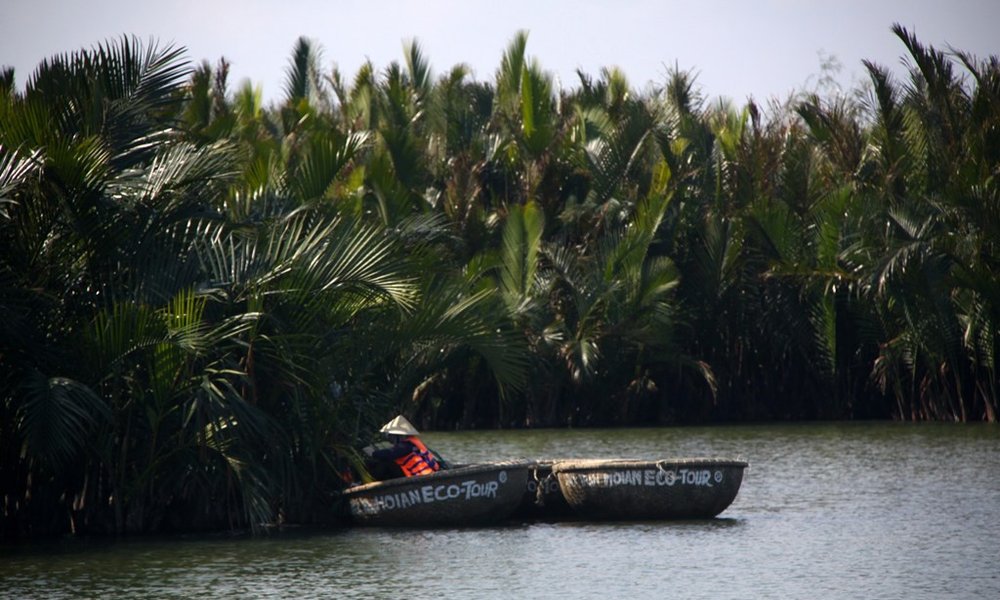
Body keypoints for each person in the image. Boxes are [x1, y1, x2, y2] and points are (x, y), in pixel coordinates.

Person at [365, 415, 447, 480]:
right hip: (425, 474)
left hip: (420, 476)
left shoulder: (406, 446)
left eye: (391, 436)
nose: (390, 438)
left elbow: (389, 453)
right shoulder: (413, 442)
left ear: (398, 435)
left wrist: (372, 453)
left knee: (386, 462)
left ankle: (373, 481)